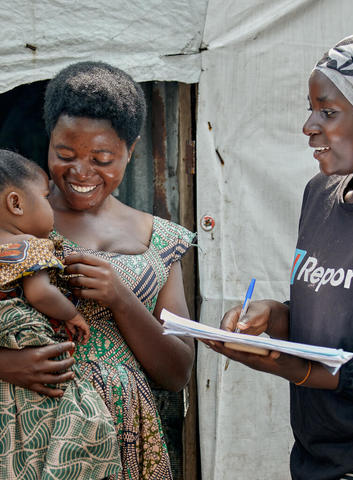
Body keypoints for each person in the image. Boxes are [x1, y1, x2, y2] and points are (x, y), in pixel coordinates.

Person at [0, 61, 195, 479]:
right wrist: (6, 364)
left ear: (131, 150)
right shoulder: (14, 224)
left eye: (102, 157)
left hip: (127, 432)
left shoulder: (160, 241)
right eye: (64, 154)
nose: (81, 172)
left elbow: (178, 372)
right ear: (48, 140)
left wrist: (120, 298)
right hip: (30, 433)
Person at [207, 33, 353, 480]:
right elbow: (330, 322)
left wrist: (293, 368)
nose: (309, 125)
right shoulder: (319, 194)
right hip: (316, 459)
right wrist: (269, 318)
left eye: (328, 111)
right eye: (311, 109)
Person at [0, 149, 121, 479]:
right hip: (31, 352)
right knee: (80, 418)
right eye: (44, 197)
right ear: (16, 204)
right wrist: (72, 315)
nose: (51, 206)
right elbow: (39, 293)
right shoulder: (28, 245)